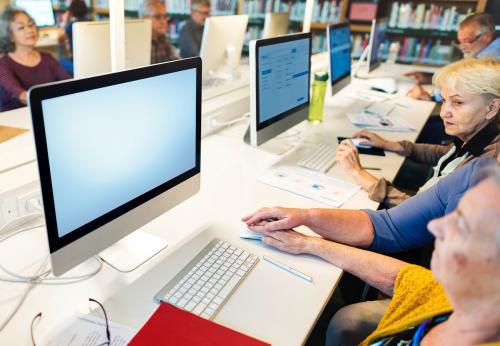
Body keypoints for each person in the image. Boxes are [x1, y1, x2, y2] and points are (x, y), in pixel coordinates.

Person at [243, 161, 500, 345]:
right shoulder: (455, 301)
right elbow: (406, 276)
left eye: (464, 223)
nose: (436, 225)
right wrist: (308, 232)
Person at [336, 58, 499, 208]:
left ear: (492, 108)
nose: (444, 113)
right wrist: (392, 145)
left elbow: (418, 216)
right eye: (444, 100)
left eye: (457, 102)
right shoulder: (481, 138)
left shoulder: (484, 168)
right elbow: (450, 154)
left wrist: (358, 173)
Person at [408, 12, 499, 101]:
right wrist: (428, 79)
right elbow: (463, 77)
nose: (461, 47)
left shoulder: (492, 59)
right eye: (460, 42)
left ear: (486, 37)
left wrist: (428, 94)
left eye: (467, 41)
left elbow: (463, 88)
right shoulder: (484, 51)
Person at [0, 7, 70, 112]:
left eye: (31, 24)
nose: (30, 30)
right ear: (10, 36)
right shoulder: (3, 64)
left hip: (47, 113)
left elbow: (68, 83)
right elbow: (18, 94)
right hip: (16, 122)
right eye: (21, 28)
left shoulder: (48, 58)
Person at [139, 0, 178, 64]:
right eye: (158, 16)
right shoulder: (138, 41)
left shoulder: (163, 37)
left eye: (165, 16)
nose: (164, 21)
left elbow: (175, 61)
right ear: (144, 18)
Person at [57, 0, 88, 75]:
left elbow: (60, 39)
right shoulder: (91, 22)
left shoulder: (72, 25)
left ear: (70, 12)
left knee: (59, 61)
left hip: (77, 62)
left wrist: (64, 22)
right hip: (88, 61)